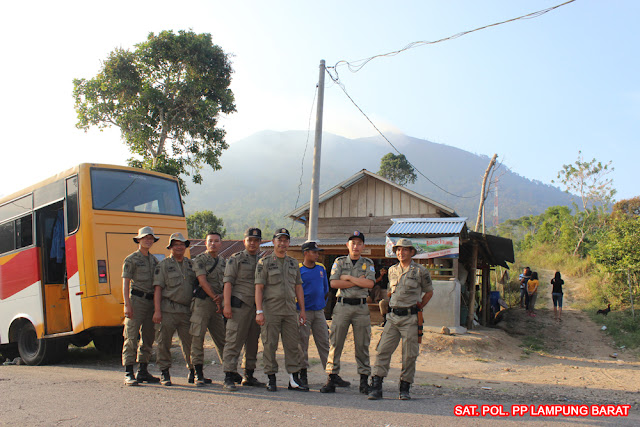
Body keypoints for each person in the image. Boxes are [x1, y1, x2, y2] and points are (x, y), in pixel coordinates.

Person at [369, 238, 433, 401]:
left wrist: (419, 307)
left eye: (404, 250)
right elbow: (391, 292)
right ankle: (376, 385)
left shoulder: (420, 271)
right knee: (383, 350)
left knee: (409, 354)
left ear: (412, 252)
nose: (400, 252)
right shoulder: (391, 270)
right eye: (398, 250)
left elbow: (429, 292)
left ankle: (405, 387)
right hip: (392, 318)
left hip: (410, 318)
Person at [321, 231, 375, 394]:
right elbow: (334, 283)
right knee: (336, 342)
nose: (356, 246)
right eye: (353, 243)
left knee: (362, 344)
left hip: (361, 308)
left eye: (359, 243)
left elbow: (370, 284)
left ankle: (364, 380)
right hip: (342, 307)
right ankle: (332, 377)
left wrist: (349, 278)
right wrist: (359, 281)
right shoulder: (339, 261)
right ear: (347, 245)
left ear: (363, 246)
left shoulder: (368, 262)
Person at [255, 228, 308, 392]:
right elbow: (259, 288)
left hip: (290, 310)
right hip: (271, 309)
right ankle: (271, 378)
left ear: (289, 243)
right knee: (270, 344)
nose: (283, 243)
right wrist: (259, 311)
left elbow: (298, 287)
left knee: (292, 345)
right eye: (280, 240)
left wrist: (302, 310)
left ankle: (293, 379)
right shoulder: (264, 263)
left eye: (286, 240)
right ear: (273, 242)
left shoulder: (293, 263)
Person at [221, 227, 265, 391]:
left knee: (253, 342)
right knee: (233, 341)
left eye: (256, 240)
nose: (253, 243)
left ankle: (249, 375)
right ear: (244, 241)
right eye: (250, 240)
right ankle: (228, 375)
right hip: (239, 307)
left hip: (256, 308)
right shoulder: (236, 259)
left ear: (260, 242)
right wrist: (226, 305)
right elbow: (228, 282)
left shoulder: (262, 261)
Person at [152, 233, 197, 386]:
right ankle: (165, 372)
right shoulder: (163, 265)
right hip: (168, 310)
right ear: (170, 247)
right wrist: (157, 311)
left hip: (186, 311)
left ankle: (193, 371)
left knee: (189, 343)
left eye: (182, 244)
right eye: (175, 244)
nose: (179, 246)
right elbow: (158, 289)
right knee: (164, 342)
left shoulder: (191, 265)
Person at [121, 226, 161, 386]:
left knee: (148, 337)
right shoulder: (131, 259)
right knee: (131, 336)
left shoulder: (154, 261)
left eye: (150, 238)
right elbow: (125, 283)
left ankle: (143, 370)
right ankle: (129, 372)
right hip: (136, 300)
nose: (148, 240)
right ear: (138, 240)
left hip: (151, 302)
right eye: (145, 238)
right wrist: (127, 304)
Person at [190, 231, 227, 386]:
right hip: (202, 303)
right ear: (205, 243)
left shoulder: (224, 261)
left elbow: (228, 281)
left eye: (216, 241)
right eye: (210, 241)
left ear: (220, 243)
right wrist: (216, 297)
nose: (213, 243)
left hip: (217, 304)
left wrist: (222, 297)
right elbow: (202, 281)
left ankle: (229, 372)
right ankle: (198, 373)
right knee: (197, 338)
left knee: (222, 339)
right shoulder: (200, 260)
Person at [297, 241, 331, 387]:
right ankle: (302, 374)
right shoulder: (298, 269)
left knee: (324, 342)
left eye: (318, 252)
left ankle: (331, 374)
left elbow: (325, 289)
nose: (317, 254)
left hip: (318, 312)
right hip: (302, 312)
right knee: (302, 343)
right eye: (314, 252)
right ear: (306, 253)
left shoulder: (321, 268)